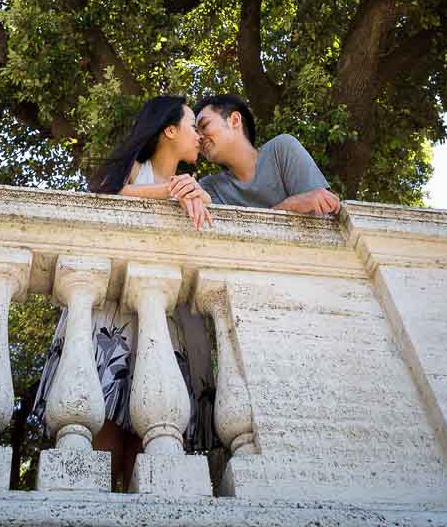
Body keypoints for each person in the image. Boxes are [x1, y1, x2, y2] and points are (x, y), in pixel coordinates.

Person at [33, 96, 216, 492]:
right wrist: (171, 191)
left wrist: (193, 194)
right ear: (168, 130)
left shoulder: (193, 188)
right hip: (113, 318)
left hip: (165, 325)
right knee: (105, 441)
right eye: (191, 125)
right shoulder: (136, 170)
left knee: (152, 450)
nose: (199, 136)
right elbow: (105, 196)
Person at [193, 93, 341, 215]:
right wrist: (290, 205)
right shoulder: (209, 187)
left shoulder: (282, 149)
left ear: (235, 121)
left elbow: (324, 213)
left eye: (204, 126)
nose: (199, 137)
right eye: (196, 132)